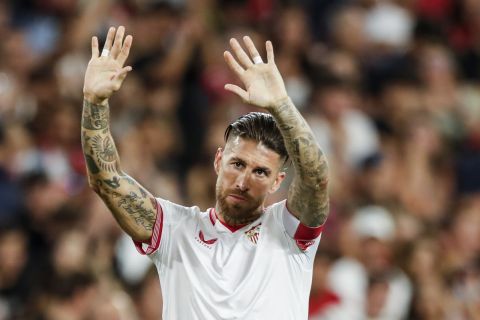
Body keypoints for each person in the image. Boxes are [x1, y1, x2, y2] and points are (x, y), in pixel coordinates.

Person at [81, 26, 329, 319]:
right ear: (218, 161)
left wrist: (282, 106)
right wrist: (95, 103)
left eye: (260, 172)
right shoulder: (175, 229)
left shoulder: (289, 232)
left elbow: (315, 178)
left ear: (278, 181)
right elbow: (106, 181)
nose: (243, 181)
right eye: (237, 164)